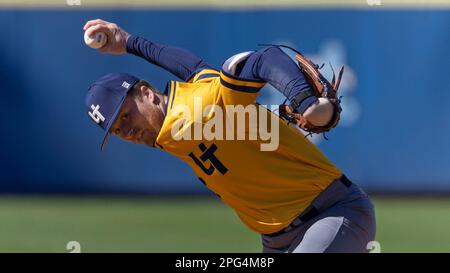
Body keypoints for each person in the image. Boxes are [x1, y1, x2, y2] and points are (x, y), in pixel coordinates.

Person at [83, 19, 376, 253]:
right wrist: (130, 42)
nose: (128, 130)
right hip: (277, 240)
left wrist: (306, 102)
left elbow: (263, 59)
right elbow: (192, 67)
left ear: (147, 93)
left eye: (126, 115)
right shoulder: (183, 106)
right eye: (118, 130)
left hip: (331, 214)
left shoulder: (199, 107)